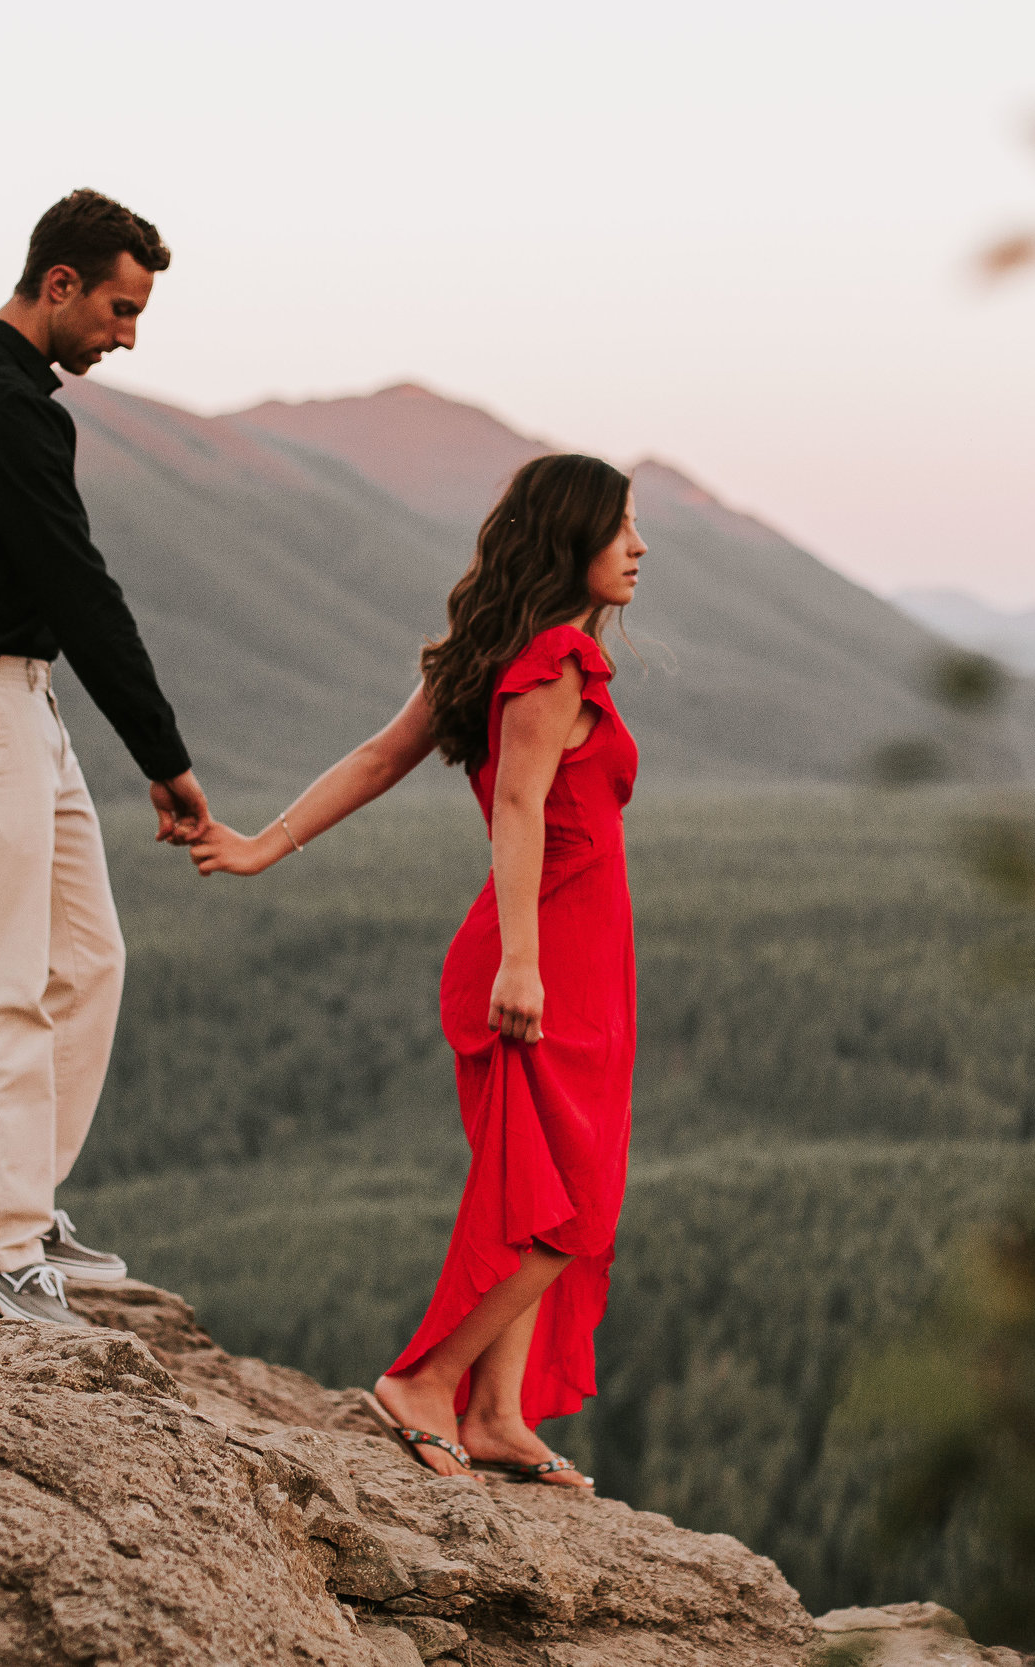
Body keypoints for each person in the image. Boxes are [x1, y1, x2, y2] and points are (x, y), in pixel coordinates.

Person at [190, 454, 645, 1489]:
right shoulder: (552, 659)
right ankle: (428, 1381)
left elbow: (376, 757)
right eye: (621, 526)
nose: (639, 546)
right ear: (571, 538)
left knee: (540, 1185)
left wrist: (265, 842)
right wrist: (523, 965)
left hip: (570, 954)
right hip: (541, 959)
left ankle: (493, 1410)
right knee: (567, 1201)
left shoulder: (498, 653)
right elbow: (522, 808)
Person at [0, 190, 213, 1328]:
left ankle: (25, 1198)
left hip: (9, 697)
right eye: (119, 308)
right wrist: (162, 755)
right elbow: (77, 581)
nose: (126, 334)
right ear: (58, 283)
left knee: (87, 954)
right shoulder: (2, 405)